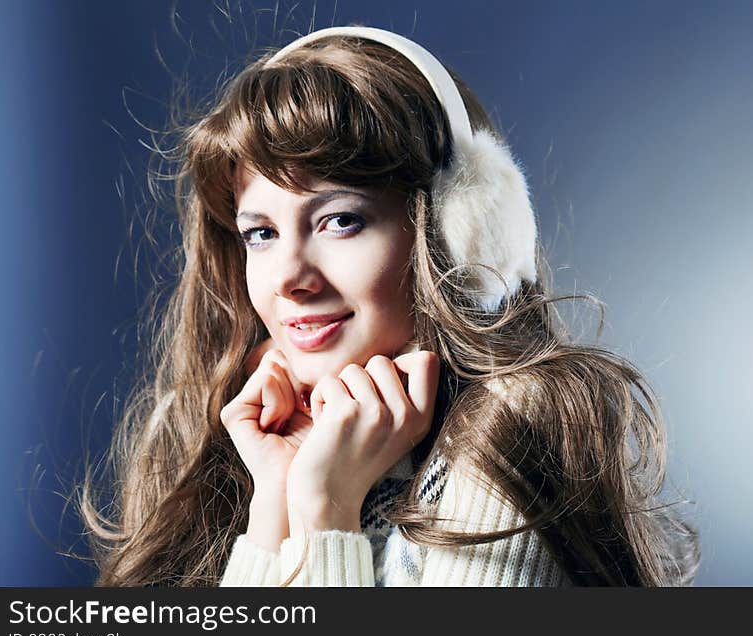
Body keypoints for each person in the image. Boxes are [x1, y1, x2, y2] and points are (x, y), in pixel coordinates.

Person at [82, 26, 699, 587]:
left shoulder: (509, 427)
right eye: (262, 233)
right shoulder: (281, 431)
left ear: (454, 234)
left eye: (340, 220)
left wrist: (326, 510)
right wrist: (276, 500)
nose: (290, 278)